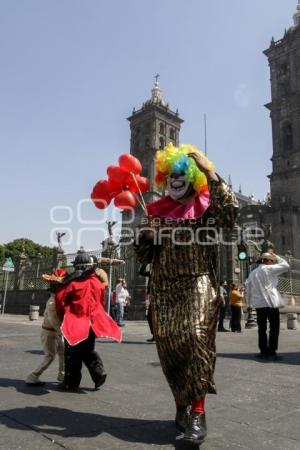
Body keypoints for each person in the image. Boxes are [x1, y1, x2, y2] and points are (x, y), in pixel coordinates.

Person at [135, 143, 238, 444]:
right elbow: (143, 256)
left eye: (182, 174)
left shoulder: (206, 209)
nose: (176, 180)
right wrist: (145, 236)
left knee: (195, 338)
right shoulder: (158, 212)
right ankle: (183, 403)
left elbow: (230, 213)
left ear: (192, 177)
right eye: (171, 175)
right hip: (165, 288)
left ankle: (198, 412)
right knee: (170, 350)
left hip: (199, 282)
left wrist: (211, 171)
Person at [55, 250, 122, 392]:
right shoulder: (97, 282)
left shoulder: (71, 284)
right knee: (88, 350)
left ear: (77, 267)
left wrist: (62, 319)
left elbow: (60, 302)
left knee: (72, 353)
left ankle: (71, 383)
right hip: (93, 323)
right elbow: (101, 301)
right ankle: (99, 373)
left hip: (76, 322)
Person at [26, 269, 67, 386]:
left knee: (62, 353)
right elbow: (54, 321)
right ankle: (33, 376)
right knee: (50, 357)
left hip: (56, 332)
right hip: (50, 332)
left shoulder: (56, 298)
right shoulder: (52, 302)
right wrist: (64, 332)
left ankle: (62, 375)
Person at [245, 252, 289, 360]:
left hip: (259, 305)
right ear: (267, 260)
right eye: (272, 260)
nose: (273, 262)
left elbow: (248, 290)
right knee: (274, 328)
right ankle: (272, 351)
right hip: (270, 303)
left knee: (262, 328)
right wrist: (277, 256)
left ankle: (263, 351)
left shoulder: (252, 273)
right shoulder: (268, 269)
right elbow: (286, 265)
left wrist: (249, 304)